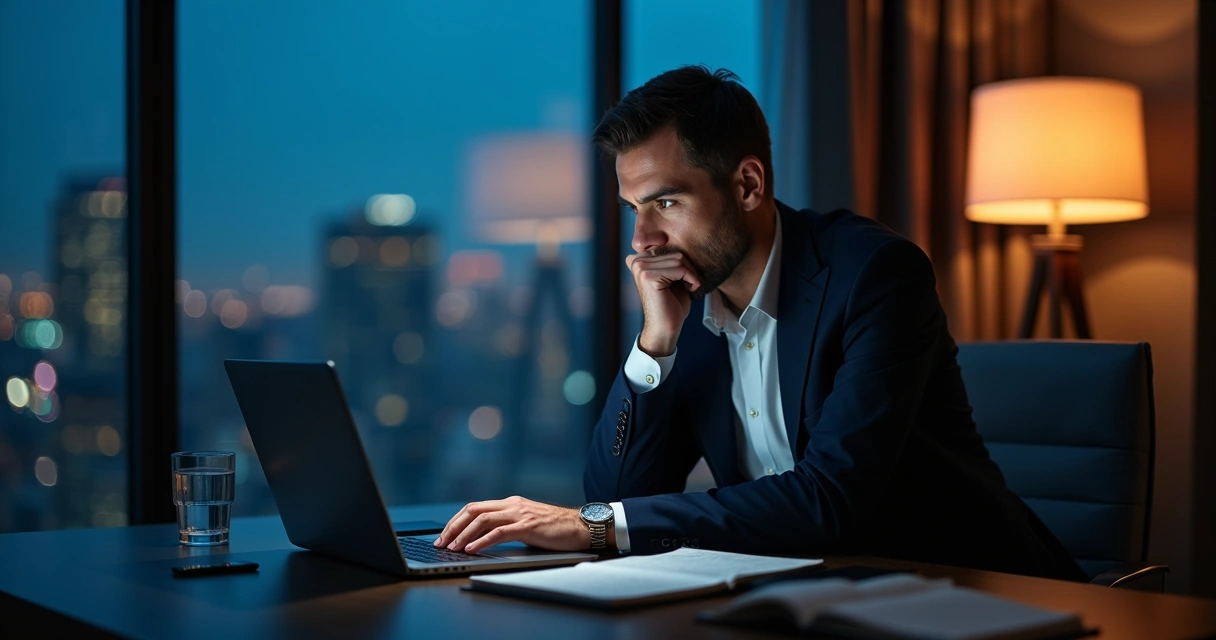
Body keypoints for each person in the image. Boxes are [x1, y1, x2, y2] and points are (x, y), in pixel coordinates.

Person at [436, 65, 1086, 581]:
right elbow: (617, 492)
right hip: (804, 596)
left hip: (969, 590)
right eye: (634, 207)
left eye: (665, 201)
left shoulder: (876, 276)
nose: (643, 239)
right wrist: (655, 344)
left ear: (747, 185)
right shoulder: (685, 303)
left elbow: (829, 500)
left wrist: (593, 524)